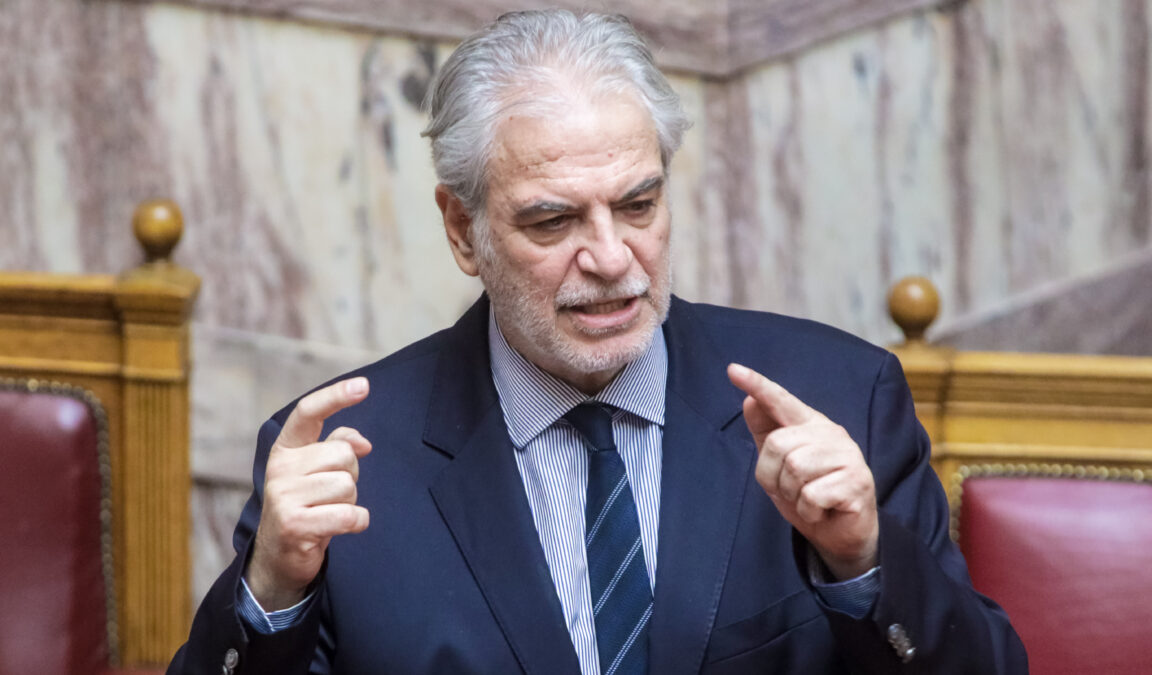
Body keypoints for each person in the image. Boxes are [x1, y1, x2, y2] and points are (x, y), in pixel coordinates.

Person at [171, 9, 1026, 674]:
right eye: (553, 220)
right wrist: (271, 592)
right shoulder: (347, 459)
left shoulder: (841, 397)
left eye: (638, 204)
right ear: (463, 230)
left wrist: (863, 561)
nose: (613, 258)